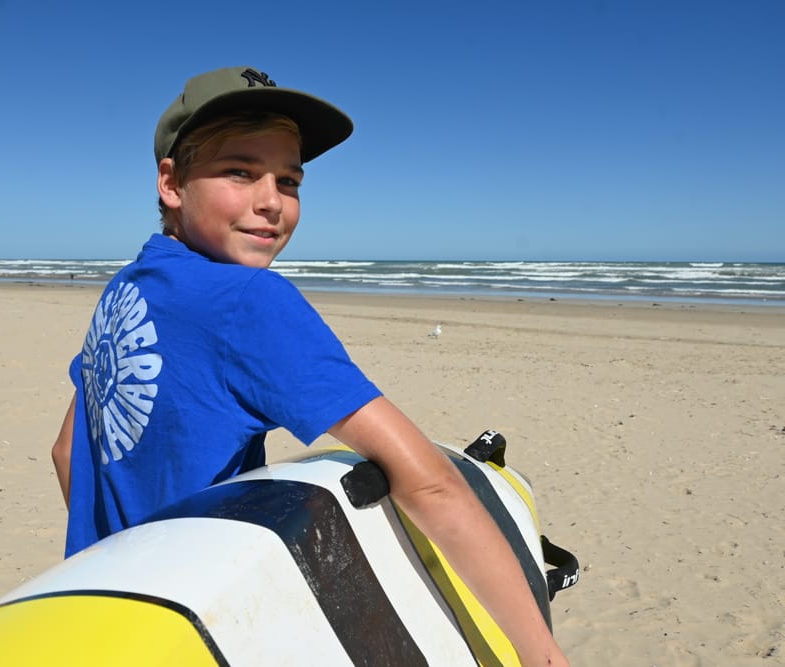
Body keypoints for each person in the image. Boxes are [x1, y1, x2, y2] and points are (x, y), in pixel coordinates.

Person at [51, 66, 568, 666]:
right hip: (193, 635)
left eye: (289, 181)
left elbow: (68, 450)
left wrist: (124, 559)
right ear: (172, 181)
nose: (271, 202)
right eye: (240, 172)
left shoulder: (129, 287)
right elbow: (429, 483)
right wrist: (543, 658)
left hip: (100, 614)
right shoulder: (250, 301)